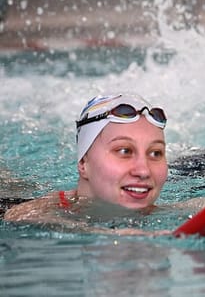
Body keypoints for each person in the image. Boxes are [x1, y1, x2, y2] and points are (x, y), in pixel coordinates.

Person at [4, 93, 176, 234]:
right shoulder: (43, 210)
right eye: (124, 151)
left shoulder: (168, 211)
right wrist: (104, 233)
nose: (144, 171)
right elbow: (18, 216)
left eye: (155, 153)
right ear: (83, 163)